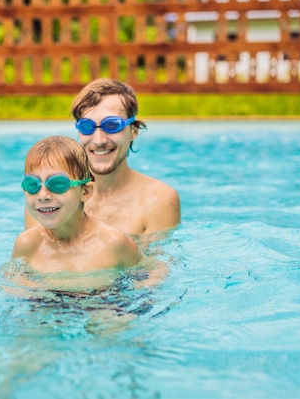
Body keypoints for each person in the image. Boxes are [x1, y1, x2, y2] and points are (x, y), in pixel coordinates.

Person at [25, 78, 181, 236]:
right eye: (87, 126)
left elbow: (155, 261)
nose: (99, 140)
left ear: (133, 131)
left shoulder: (158, 200)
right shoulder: (47, 197)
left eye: (112, 125)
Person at [12, 135, 142, 276]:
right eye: (32, 185)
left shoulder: (114, 243)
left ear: (85, 191)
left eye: (58, 184)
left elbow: (149, 281)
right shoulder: (27, 244)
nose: (43, 196)